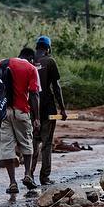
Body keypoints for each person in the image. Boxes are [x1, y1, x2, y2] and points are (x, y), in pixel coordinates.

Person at [0, 49, 41, 194]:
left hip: (3, 112)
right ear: (30, 58)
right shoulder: (31, 68)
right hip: (22, 111)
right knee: (26, 143)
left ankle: (12, 183)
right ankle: (28, 174)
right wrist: (37, 118)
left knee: (7, 147)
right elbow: (34, 95)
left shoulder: (1, 63)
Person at [31, 35, 67, 185]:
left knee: (32, 143)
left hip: (31, 110)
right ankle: (44, 177)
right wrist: (62, 109)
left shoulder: (29, 62)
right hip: (48, 109)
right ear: (48, 48)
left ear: (37, 47)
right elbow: (56, 87)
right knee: (46, 144)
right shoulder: (50, 61)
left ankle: (29, 175)